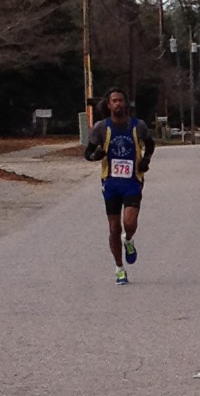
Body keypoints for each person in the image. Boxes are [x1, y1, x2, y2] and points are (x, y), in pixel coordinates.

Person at [84, 87, 155, 285]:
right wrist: (95, 156)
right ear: (109, 105)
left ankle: (129, 240)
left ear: (126, 104)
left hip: (132, 181)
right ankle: (119, 269)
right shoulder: (101, 128)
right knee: (114, 227)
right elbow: (87, 153)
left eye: (120, 100)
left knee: (129, 223)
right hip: (111, 183)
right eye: (114, 101)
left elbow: (150, 144)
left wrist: (146, 160)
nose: (117, 104)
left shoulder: (138, 126)